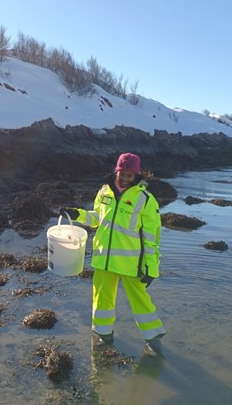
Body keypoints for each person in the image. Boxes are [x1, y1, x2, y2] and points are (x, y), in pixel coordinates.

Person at [60, 152, 166, 357]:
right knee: (101, 300)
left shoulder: (145, 200)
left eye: (130, 175)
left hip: (131, 263)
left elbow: (152, 238)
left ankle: (153, 339)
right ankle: (103, 335)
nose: (125, 178)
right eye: (121, 173)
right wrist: (77, 214)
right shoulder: (103, 192)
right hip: (102, 259)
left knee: (140, 300)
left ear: (137, 176)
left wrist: (151, 267)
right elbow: (96, 218)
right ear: (116, 171)